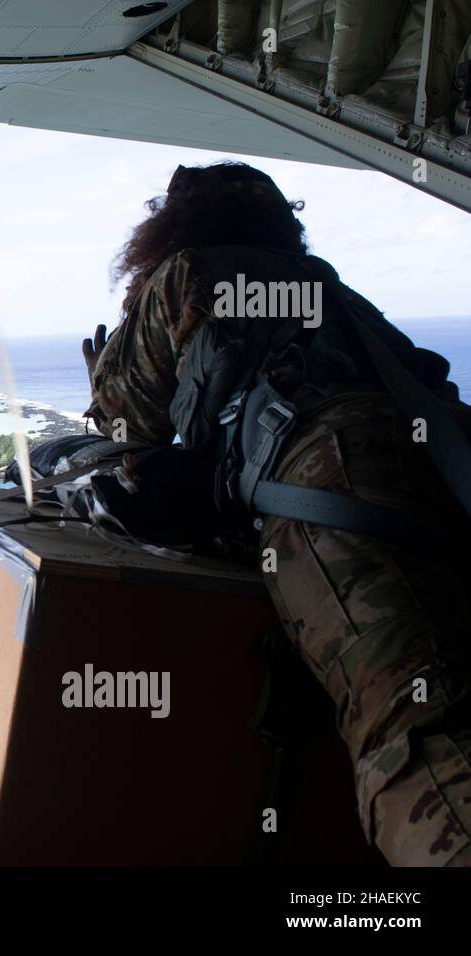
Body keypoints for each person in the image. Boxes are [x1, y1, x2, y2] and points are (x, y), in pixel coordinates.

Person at [82, 161, 471, 866]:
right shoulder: (321, 284)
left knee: (417, 730)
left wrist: (104, 372)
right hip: (443, 471)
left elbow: (124, 423)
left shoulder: (187, 272)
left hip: (333, 477)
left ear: (172, 227)